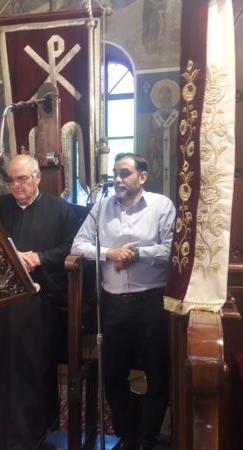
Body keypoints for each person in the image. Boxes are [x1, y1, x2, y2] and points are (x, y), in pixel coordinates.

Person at [71, 153, 175, 450]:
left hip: (151, 303)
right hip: (113, 305)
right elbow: (78, 245)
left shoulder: (161, 206)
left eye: (125, 173)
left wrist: (138, 253)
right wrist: (110, 253)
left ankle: (147, 438)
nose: (117, 179)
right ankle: (127, 437)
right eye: (115, 173)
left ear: (142, 176)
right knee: (113, 377)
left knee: (157, 376)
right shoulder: (101, 207)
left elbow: (172, 249)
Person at [0, 154, 79, 450]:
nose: (16, 185)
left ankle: (30, 434)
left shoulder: (60, 209)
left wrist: (39, 257)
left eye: (22, 179)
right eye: (10, 180)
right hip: (1, 298)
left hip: (41, 298)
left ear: (37, 177)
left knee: (30, 367)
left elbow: (72, 247)